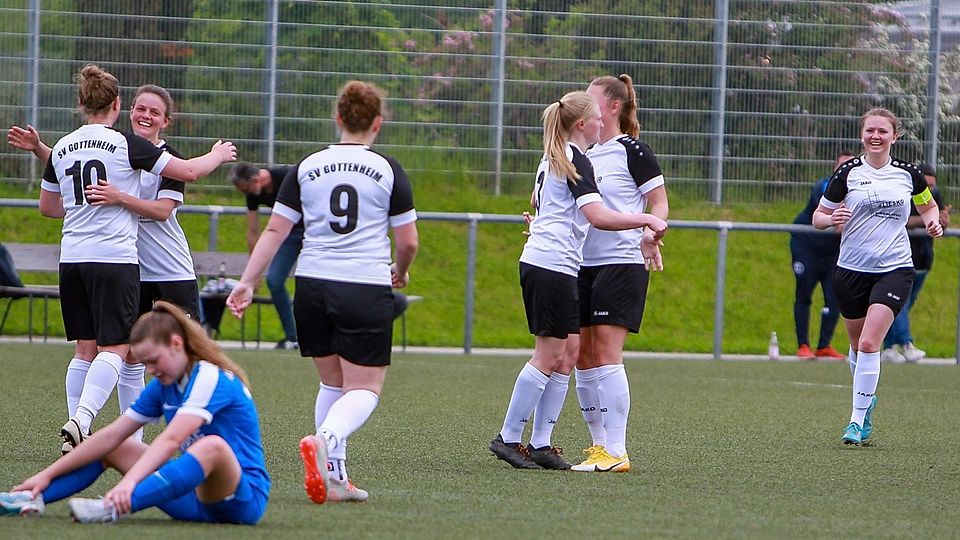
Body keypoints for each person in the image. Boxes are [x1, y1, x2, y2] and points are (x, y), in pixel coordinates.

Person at [10, 64, 235, 455]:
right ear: (121, 106)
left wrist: (116, 198)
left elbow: (159, 209)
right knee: (123, 353)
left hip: (164, 270)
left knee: (184, 353)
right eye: (140, 108)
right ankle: (114, 434)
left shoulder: (146, 152)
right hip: (120, 264)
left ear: (166, 121)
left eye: (154, 111)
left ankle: (189, 428)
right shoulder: (124, 145)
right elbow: (85, 172)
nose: (145, 115)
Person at [227, 80, 418, 502]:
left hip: (311, 285)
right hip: (363, 286)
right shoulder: (388, 169)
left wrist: (246, 282)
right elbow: (408, 242)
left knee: (332, 384)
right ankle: (325, 439)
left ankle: (334, 478)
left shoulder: (306, 166)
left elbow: (276, 230)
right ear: (378, 123)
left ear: (338, 119)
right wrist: (400, 271)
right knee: (365, 388)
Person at [489, 90, 667, 470]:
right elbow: (598, 216)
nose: (602, 122)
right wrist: (647, 221)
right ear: (582, 124)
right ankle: (508, 437)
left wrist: (540, 226)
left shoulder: (558, 157)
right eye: (596, 118)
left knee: (569, 353)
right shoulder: (573, 158)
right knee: (550, 354)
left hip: (559, 266)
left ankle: (540, 443)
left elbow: (554, 212)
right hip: (551, 266)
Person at [0, 301, 269, 524]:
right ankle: (33, 497)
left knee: (213, 446)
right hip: (191, 501)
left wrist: (128, 484)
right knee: (115, 445)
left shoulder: (210, 377)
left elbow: (172, 439)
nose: (151, 369)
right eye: (145, 363)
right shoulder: (165, 383)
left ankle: (112, 506)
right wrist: (46, 475)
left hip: (239, 503)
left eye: (154, 360)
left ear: (177, 344)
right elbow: (110, 436)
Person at [813, 107, 942, 446]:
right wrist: (831, 218)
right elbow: (818, 217)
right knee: (857, 347)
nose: (875, 136)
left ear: (894, 137)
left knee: (871, 343)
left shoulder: (907, 173)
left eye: (882, 131)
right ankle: (867, 402)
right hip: (851, 270)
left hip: (895, 268)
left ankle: (856, 421)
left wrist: (931, 220)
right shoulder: (847, 173)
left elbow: (927, 204)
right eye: (870, 130)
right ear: (862, 135)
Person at [568, 74, 669, 474]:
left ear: (613, 107)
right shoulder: (583, 153)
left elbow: (658, 203)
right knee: (583, 357)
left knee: (608, 356)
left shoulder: (632, 151)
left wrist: (650, 230)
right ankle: (597, 446)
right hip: (580, 264)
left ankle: (618, 449)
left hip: (620, 262)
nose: (586, 107)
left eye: (593, 100)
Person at [881, 162, 950, 363]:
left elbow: (937, 223)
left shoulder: (933, 196)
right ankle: (906, 343)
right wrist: (926, 220)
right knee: (899, 303)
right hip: (901, 259)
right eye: (926, 184)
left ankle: (889, 346)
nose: (929, 189)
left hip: (924, 258)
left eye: (932, 186)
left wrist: (942, 222)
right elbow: (903, 221)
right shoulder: (904, 194)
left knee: (904, 305)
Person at [789, 151, 855, 360]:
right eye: (841, 165)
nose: (845, 170)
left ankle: (824, 345)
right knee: (804, 294)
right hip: (806, 245)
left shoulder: (860, 190)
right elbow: (829, 214)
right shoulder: (825, 186)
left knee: (834, 297)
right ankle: (803, 345)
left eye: (850, 165)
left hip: (832, 251)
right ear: (835, 168)